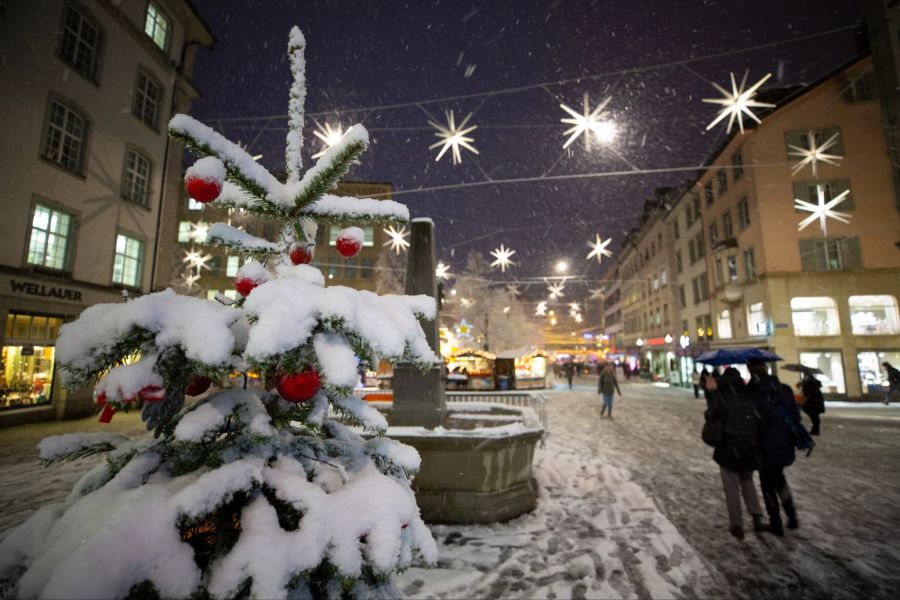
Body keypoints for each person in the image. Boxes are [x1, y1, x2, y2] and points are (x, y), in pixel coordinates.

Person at [705, 368, 766, 540]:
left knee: (731, 486)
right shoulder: (748, 395)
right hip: (749, 446)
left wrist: (711, 393)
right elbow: (759, 420)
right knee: (748, 482)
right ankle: (756, 516)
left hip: (729, 448)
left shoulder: (723, 397)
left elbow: (712, 416)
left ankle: (737, 524)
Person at [747, 360, 802, 536]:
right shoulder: (784, 389)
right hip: (784, 442)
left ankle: (775, 522)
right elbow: (796, 417)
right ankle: (791, 515)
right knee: (779, 478)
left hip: (764, 444)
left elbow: (750, 422)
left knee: (767, 483)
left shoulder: (752, 393)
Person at [799, 371, 825, 436]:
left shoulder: (811, 383)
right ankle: (815, 429)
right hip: (813, 402)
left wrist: (804, 385)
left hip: (813, 402)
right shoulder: (810, 382)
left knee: (814, 416)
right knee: (814, 416)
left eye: (805, 375)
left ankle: (815, 430)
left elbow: (809, 393)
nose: (804, 376)